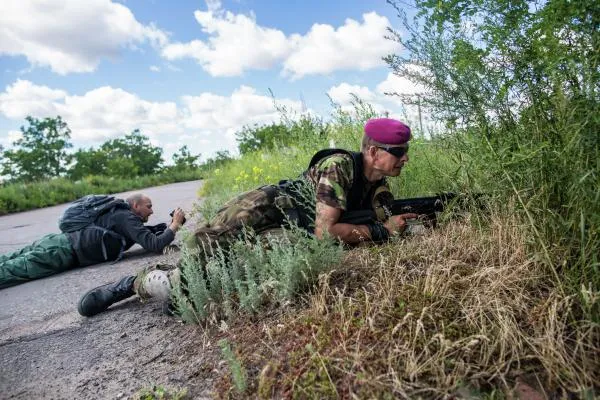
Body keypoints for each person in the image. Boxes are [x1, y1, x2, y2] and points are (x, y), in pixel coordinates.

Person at [78, 118, 418, 317]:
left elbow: (390, 217)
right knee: (201, 252)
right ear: (373, 152)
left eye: (405, 153)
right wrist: (381, 232)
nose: (405, 159)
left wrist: (409, 223)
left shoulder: (378, 188)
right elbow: (326, 233)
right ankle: (135, 282)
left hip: (290, 231)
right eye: (399, 153)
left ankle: (180, 284)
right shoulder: (340, 166)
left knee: (234, 272)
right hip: (266, 207)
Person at [0, 193, 186, 289]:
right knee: (10, 271)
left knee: (9, 260)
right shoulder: (125, 217)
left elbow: (148, 237)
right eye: (149, 206)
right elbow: (154, 245)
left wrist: (169, 227)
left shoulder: (120, 214)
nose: (152, 211)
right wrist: (175, 225)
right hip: (59, 252)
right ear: (135, 205)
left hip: (56, 243)